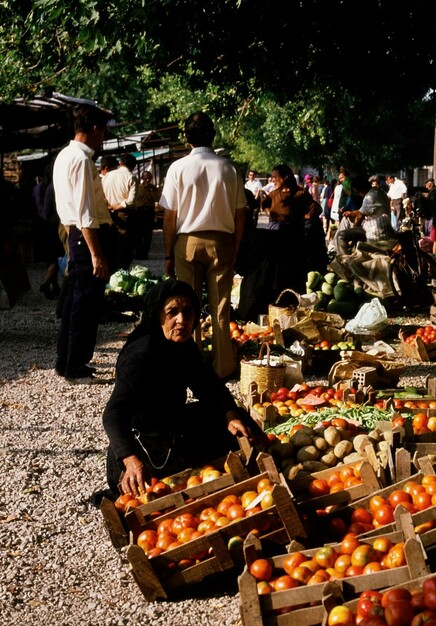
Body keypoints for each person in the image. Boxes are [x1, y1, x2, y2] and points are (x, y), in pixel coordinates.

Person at [102, 279, 263, 498]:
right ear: (158, 315)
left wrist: (230, 416)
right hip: (144, 443)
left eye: (188, 312)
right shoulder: (140, 355)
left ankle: (257, 466)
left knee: (238, 420)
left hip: (172, 426)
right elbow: (113, 415)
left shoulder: (184, 347)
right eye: (172, 312)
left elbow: (210, 387)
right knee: (158, 485)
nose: (182, 320)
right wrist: (130, 460)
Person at [159, 111, 246, 380]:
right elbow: (240, 213)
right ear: (213, 135)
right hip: (221, 243)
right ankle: (223, 369)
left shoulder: (178, 168)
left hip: (187, 243)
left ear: (187, 138)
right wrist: (235, 245)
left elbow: (170, 216)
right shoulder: (228, 167)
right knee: (221, 308)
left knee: (187, 307)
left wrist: (168, 253)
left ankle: (189, 369)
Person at [52, 104, 113, 383]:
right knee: (84, 306)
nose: (104, 138)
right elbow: (86, 213)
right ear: (95, 129)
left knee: (75, 303)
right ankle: (74, 365)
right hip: (84, 234)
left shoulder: (64, 156)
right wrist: (96, 254)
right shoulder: (81, 160)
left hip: (74, 232)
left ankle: (67, 362)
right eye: (103, 131)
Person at [237, 164, 320, 321]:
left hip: (294, 237)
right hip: (275, 237)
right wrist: (271, 214)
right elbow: (264, 204)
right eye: (272, 177)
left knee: (292, 273)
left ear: (285, 178)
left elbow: (315, 208)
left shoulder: (299, 193)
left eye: (276, 177)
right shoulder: (273, 193)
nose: (273, 180)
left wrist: (306, 217)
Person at [101, 153, 138, 270]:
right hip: (125, 216)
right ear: (133, 166)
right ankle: (122, 273)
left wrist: (110, 206)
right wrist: (117, 206)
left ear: (120, 163)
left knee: (111, 246)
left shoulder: (107, 176)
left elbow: (101, 196)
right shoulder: (131, 177)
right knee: (125, 248)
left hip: (108, 215)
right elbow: (131, 201)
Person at [32, 167, 62, 299]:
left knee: (51, 258)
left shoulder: (40, 187)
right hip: (53, 226)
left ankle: (54, 287)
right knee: (56, 257)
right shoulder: (54, 188)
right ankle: (46, 284)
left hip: (42, 225)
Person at [133, 170, 160, 259]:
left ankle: (145, 253)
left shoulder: (153, 188)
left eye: (149, 178)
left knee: (148, 234)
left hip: (149, 211)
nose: (147, 180)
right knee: (138, 234)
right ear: (142, 178)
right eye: (146, 178)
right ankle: (138, 253)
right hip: (139, 211)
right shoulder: (138, 187)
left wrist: (152, 191)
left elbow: (157, 198)